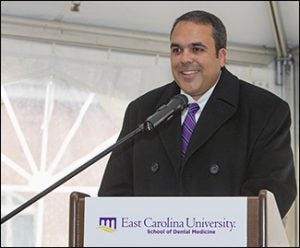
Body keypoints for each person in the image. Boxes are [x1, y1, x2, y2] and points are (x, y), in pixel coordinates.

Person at [98, 10, 297, 218]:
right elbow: (113, 195)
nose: (184, 58)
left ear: (221, 56)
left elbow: (273, 194)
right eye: (177, 50)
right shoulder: (143, 110)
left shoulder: (264, 110)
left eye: (197, 49)